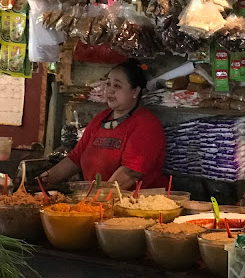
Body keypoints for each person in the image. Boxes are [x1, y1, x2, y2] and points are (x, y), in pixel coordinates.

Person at [41, 59, 167, 190]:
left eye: (117, 86)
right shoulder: (101, 118)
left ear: (135, 91)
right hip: (97, 199)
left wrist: (99, 197)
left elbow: (131, 173)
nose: (110, 90)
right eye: (108, 84)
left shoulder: (146, 125)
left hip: (133, 203)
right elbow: (75, 158)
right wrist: (45, 179)